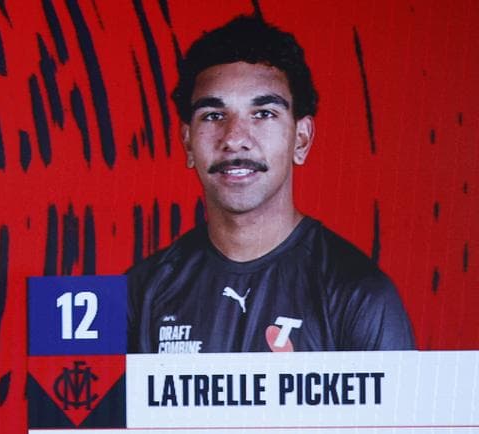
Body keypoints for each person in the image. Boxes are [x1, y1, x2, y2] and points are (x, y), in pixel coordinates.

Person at [127, 15, 415, 353]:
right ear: (188, 142)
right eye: (213, 116)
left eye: (263, 114)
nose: (234, 139)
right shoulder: (140, 292)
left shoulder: (359, 295)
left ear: (301, 139)